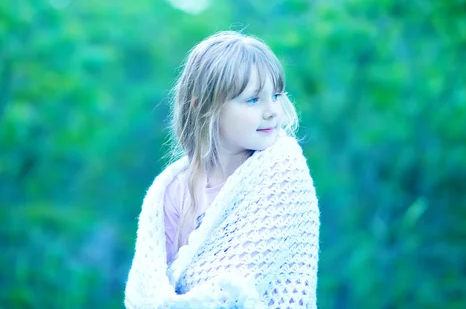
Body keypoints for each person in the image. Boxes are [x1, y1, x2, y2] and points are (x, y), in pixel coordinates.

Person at [124, 31, 320, 308]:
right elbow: (146, 293)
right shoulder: (169, 190)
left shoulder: (282, 173)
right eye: (253, 99)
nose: (272, 111)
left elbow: (239, 287)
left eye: (275, 96)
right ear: (204, 106)